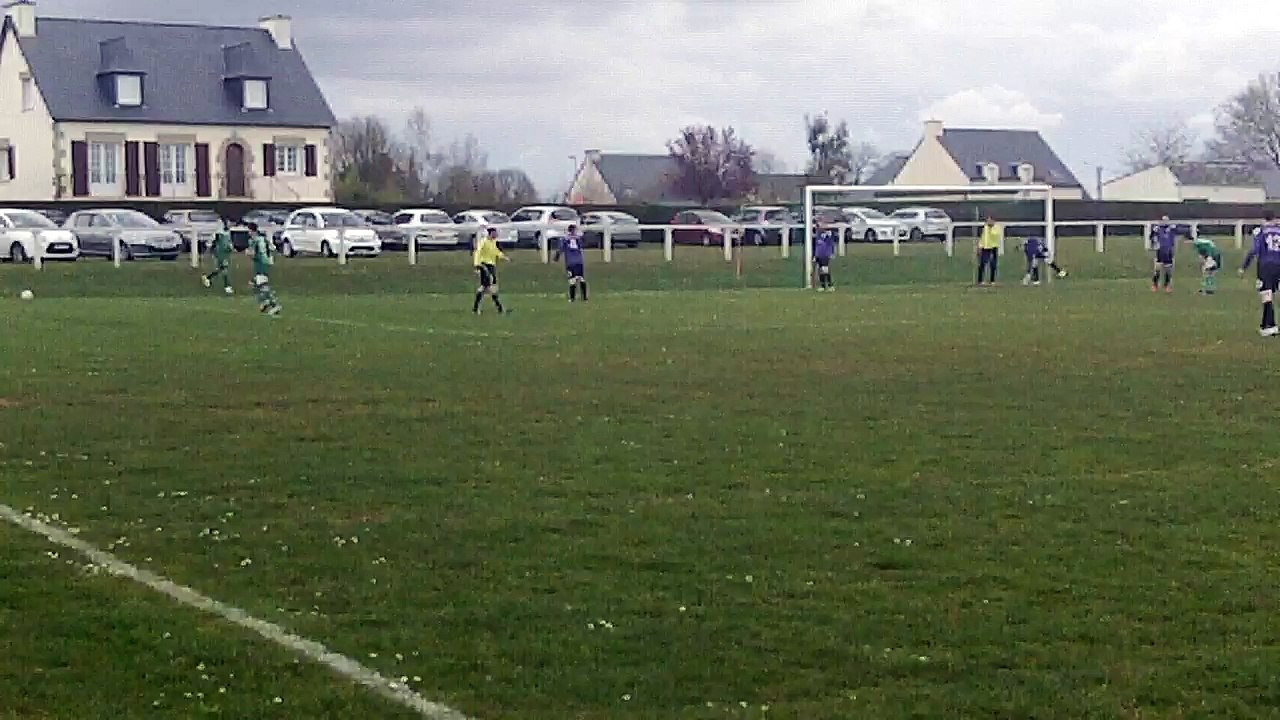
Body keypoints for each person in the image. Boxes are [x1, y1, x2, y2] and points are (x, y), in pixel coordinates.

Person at [1239, 211, 1280, 336]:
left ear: (1264, 220)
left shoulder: (1261, 232)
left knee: (1267, 296)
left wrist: (1243, 267)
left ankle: (1269, 325)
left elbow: (1254, 251)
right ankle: (1266, 325)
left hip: (1266, 267)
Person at [472, 226, 509, 314]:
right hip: (485, 266)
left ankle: (477, 308)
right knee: (488, 287)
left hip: (491, 266)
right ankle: (499, 308)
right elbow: (478, 252)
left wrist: (504, 257)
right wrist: (477, 264)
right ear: (490, 233)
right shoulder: (483, 242)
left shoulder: (493, 242)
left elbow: (496, 251)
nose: (496, 234)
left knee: (487, 287)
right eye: (494, 233)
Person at [246, 223, 280, 316]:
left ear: (252, 231)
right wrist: (270, 258)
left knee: (262, 285)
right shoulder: (263, 238)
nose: (248, 232)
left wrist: (248, 253)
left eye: (248, 230)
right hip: (265, 263)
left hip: (260, 264)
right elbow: (273, 248)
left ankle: (275, 305)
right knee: (255, 284)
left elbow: (252, 254)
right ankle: (265, 301)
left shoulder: (253, 240)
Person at [553, 224, 588, 302]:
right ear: (574, 230)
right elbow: (582, 245)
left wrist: (556, 258)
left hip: (570, 262)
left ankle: (572, 298)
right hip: (579, 261)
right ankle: (584, 298)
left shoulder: (565, 239)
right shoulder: (578, 238)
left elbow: (560, 250)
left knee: (572, 280)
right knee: (581, 278)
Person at [202, 219, 234, 295]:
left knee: (221, 269)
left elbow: (228, 242)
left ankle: (207, 278)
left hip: (226, 253)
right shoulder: (218, 233)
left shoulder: (228, 232)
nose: (230, 225)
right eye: (229, 223)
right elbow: (211, 242)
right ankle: (227, 287)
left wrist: (230, 247)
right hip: (220, 254)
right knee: (224, 270)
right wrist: (209, 249)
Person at [1150, 216, 1179, 293]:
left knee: (1168, 269)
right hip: (1160, 250)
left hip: (1169, 250)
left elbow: (1178, 232)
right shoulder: (1157, 228)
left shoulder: (1172, 228)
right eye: (1163, 220)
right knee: (1158, 268)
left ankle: (1167, 286)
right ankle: (1154, 285)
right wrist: (1155, 244)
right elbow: (1152, 237)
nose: (1165, 222)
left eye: (1166, 220)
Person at [976, 216, 1002, 286]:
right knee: (982, 264)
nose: (988, 221)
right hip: (985, 247)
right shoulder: (985, 227)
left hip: (993, 247)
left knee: (993, 264)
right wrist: (979, 246)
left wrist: (991, 228)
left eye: (990, 220)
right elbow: (983, 237)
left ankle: (992, 280)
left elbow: (995, 235)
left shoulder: (997, 227)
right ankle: (980, 280)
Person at [813, 223, 837, 291]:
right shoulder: (818, 235)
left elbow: (831, 243)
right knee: (821, 271)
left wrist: (832, 253)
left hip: (825, 255)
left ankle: (830, 285)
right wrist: (815, 255)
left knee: (825, 270)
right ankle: (823, 286)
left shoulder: (827, 234)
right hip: (819, 255)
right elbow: (817, 246)